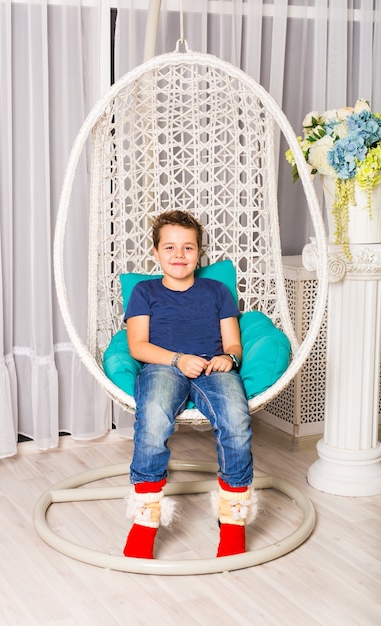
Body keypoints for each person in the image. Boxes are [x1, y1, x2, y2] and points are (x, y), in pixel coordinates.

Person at [123, 210, 255, 559]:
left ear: (200, 253)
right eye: (170, 247)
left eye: (188, 248)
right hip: (164, 366)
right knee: (152, 418)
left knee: (236, 421)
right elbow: (137, 345)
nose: (179, 255)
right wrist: (178, 359)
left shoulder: (216, 291)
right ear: (155, 252)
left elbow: (233, 343)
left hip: (213, 367)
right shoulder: (144, 290)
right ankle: (145, 519)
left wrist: (231, 359)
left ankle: (233, 520)